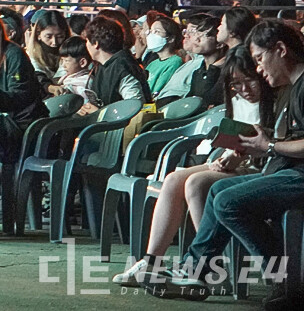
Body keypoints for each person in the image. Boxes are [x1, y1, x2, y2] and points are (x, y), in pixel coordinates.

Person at [145, 21, 304, 308]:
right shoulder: (292, 88)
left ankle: (285, 281)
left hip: (298, 175)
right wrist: (266, 140)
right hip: (288, 170)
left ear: (280, 50)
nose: (258, 69)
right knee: (221, 192)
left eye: (258, 59)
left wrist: (268, 146)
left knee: (229, 200)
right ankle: (194, 271)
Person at [114, 46, 273, 287]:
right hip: (235, 161)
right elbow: (236, 135)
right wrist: (225, 156)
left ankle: (210, 265)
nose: (243, 90)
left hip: (260, 167)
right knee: (172, 180)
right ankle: (152, 261)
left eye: (249, 81)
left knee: (196, 183)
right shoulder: (236, 97)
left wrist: (238, 155)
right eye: (235, 84)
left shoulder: (275, 98)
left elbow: (268, 143)